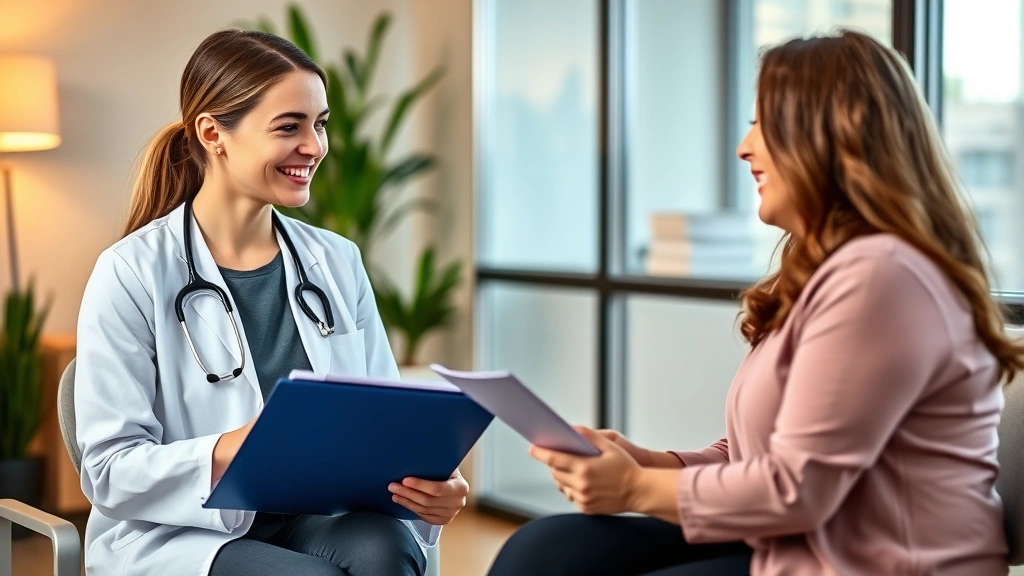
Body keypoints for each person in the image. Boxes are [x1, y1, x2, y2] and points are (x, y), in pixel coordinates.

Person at [488, 29, 1024, 576]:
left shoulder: (882, 277)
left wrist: (632, 486)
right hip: (803, 538)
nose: (745, 148)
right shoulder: (827, 270)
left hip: (877, 562)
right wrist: (650, 463)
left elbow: (796, 487)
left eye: (764, 124)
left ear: (831, 135)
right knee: (546, 552)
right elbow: (759, 458)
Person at [74, 30, 467, 576]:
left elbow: (382, 421)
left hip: (318, 513)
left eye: (320, 123)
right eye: (289, 126)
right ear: (214, 133)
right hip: (181, 534)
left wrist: (430, 488)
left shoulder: (336, 261)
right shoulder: (132, 273)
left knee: (388, 550)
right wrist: (232, 449)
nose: (315, 146)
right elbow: (108, 471)